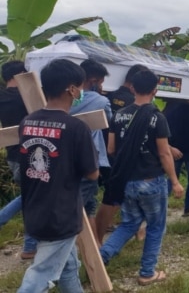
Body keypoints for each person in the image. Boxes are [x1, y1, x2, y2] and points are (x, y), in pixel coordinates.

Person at [16, 59, 99, 293]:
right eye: (80, 87)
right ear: (71, 89)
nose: (81, 92)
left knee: (69, 266)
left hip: (35, 209)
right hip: (61, 214)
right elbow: (92, 174)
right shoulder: (75, 127)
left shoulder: (27, 122)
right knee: (39, 276)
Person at [99, 69, 184, 286]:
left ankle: (101, 258)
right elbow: (165, 153)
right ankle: (147, 273)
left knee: (129, 223)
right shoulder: (157, 117)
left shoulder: (118, 115)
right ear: (155, 90)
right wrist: (174, 181)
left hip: (126, 180)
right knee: (155, 226)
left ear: (133, 88)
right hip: (151, 181)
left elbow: (110, 149)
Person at [95, 63, 148, 244]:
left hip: (110, 155)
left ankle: (98, 239)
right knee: (138, 196)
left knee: (110, 198)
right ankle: (138, 230)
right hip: (130, 158)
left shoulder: (110, 96)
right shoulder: (136, 106)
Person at [70, 59, 112, 245]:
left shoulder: (67, 97)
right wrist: (100, 96)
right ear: (93, 80)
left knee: (89, 205)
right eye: (101, 82)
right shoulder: (101, 101)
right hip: (90, 158)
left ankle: (96, 247)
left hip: (68, 159)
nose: (101, 86)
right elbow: (108, 119)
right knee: (74, 207)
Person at [0, 60, 38, 260]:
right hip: (29, 154)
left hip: (11, 154)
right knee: (30, 198)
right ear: (19, 76)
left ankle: (30, 246)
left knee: (29, 196)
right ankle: (29, 247)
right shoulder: (26, 97)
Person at [164, 97, 189, 216]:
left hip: (177, 149)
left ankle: (163, 209)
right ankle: (187, 208)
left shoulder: (170, 106)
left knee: (172, 179)